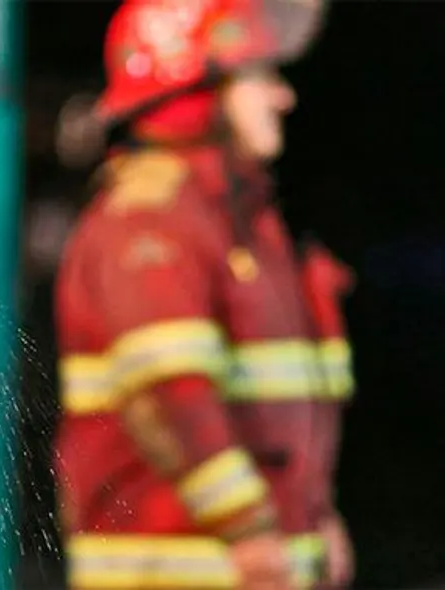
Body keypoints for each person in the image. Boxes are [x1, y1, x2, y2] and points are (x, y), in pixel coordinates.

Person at [53, 1, 355, 589]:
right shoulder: (151, 222)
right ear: (197, 87)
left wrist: (316, 519)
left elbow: (276, 417)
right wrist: (251, 532)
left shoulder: (233, 219)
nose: (282, 97)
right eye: (261, 75)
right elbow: (168, 395)